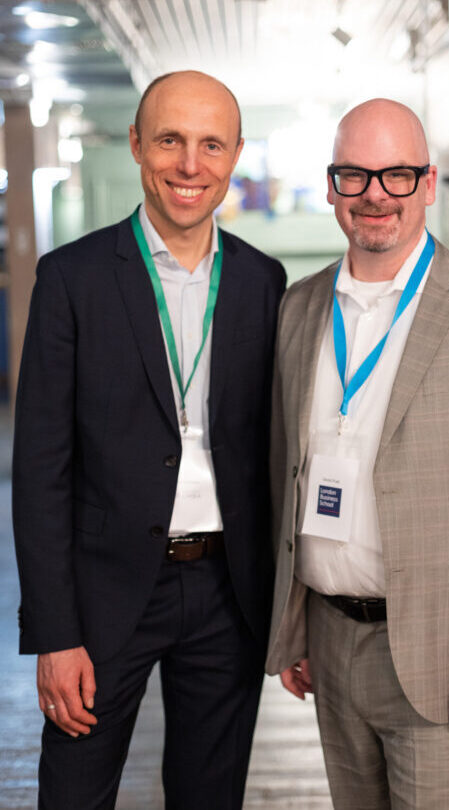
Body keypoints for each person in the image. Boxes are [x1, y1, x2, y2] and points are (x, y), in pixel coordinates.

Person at [266, 99, 449, 809]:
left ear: (428, 184)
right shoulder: (298, 308)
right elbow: (289, 473)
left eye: (397, 175)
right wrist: (295, 623)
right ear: (332, 185)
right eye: (354, 175)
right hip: (331, 647)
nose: (375, 195)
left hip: (445, 646)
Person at [13, 70, 285, 810]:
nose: (189, 165)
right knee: (73, 796)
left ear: (233, 157)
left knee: (210, 797)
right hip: (102, 595)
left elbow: (273, 457)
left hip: (229, 593)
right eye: (170, 140)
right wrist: (54, 633)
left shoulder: (264, 283)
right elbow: (40, 469)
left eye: (210, 145)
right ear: (137, 145)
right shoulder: (72, 279)